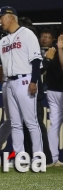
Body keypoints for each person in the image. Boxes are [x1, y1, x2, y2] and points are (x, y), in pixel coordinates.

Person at [0, 7, 44, 160]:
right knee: (16, 123)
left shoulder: (27, 34)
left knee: (31, 122)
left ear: (11, 17)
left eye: (1, 17)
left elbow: (36, 59)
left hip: (25, 80)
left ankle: (38, 157)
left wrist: (34, 81)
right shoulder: (4, 40)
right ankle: (20, 157)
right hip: (9, 83)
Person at [43, 32, 63, 166]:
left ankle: (53, 157)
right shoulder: (53, 51)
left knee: (54, 124)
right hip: (55, 91)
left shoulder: (52, 50)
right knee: (54, 124)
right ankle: (53, 157)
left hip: (52, 90)